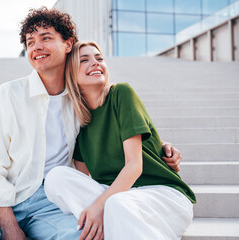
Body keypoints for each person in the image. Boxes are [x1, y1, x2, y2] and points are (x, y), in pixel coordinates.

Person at [0, 8, 183, 240]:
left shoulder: (80, 103)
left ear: (68, 44)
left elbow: (112, 132)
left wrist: (160, 146)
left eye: (45, 38)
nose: (36, 47)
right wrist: (9, 224)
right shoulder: (7, 95)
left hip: (51, 202)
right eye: (30, 42)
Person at [44, 41, 196, 240]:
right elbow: (81, 179)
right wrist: (98, 205)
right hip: (117, 199)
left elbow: (134, 166)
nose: (96, 63)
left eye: (99, 58)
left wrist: (99, 206)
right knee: (56, 177)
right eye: (84, 60)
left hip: (161, 196)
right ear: (70, 73)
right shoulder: (77, 121)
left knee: (116, 204)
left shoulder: (121, 94)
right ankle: (112, 227)